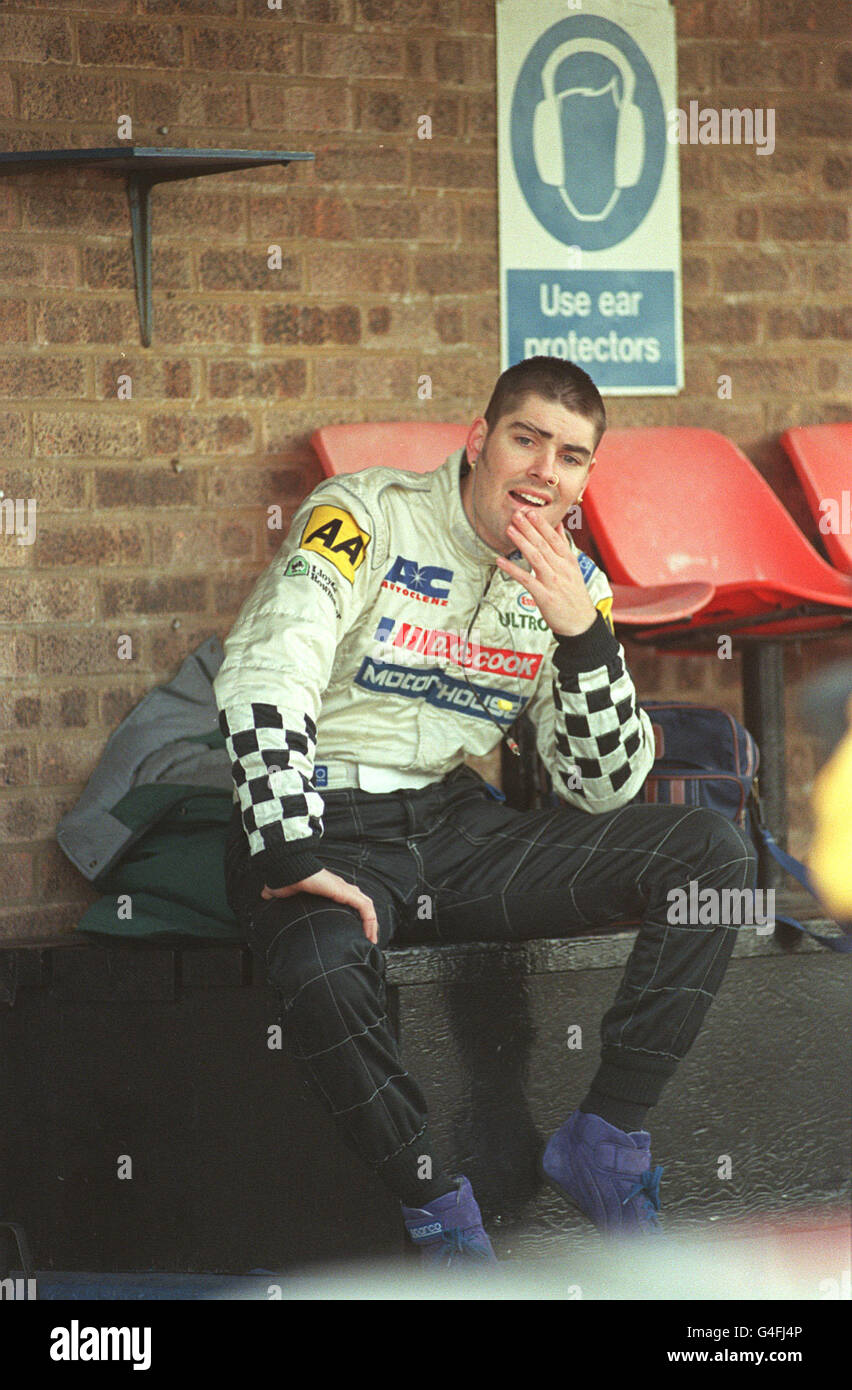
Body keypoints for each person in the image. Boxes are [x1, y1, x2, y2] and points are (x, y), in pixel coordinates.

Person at [214, 357, 757, 1268]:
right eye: (527, 438)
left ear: (587, 478)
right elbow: (274, 660)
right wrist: (288, 842)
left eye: (573, 456)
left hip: (456, 827)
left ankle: (605, 1140)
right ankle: (438, 1209)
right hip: (326, 814)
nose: (547, 469)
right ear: (478, 441)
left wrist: (585, 637)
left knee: (712, 857)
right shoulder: (364, 514)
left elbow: (603, 787)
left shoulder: (573, 582)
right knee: (318, 968)